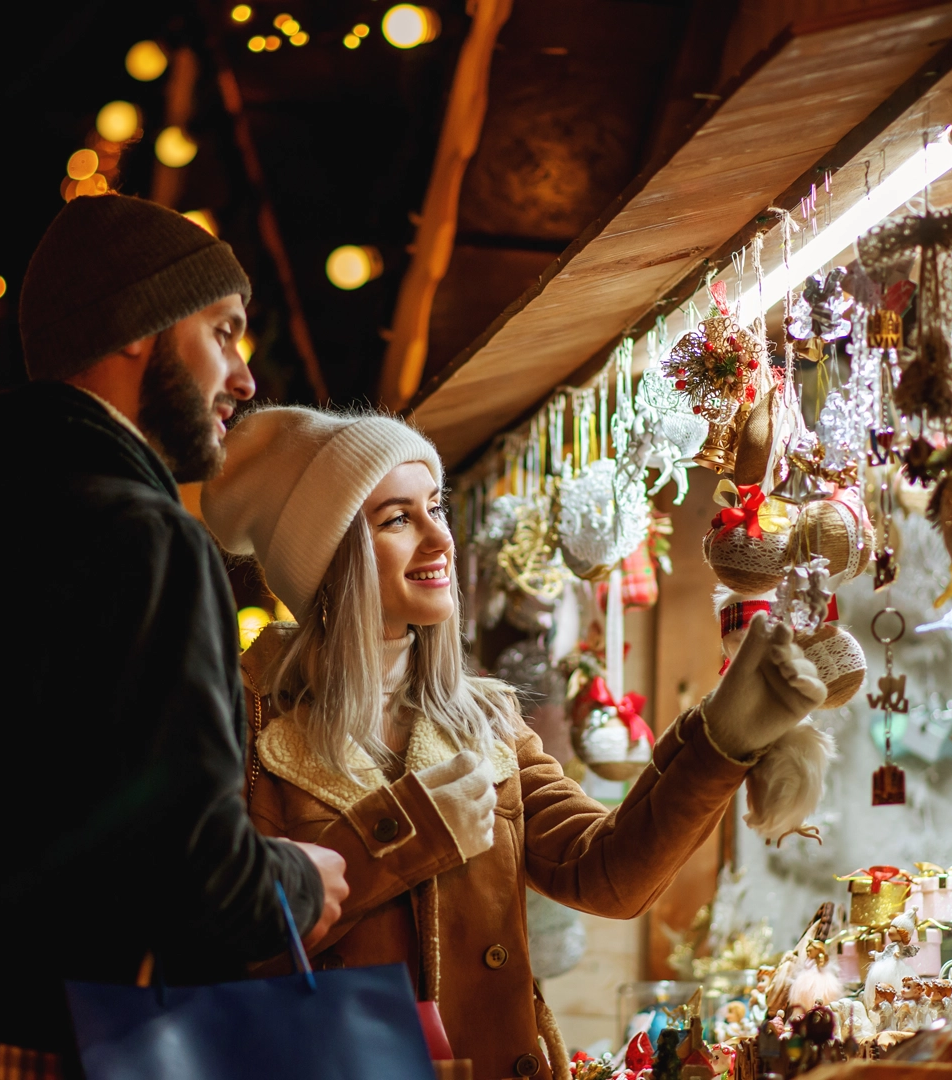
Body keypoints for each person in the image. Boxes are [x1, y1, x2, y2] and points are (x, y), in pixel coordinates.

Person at [201, 406, 827, 1080]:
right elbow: (221, 947)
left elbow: (607, 872)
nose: (438, 540)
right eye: (396, 519)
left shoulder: (485, 718)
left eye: (435, 509)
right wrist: (407, 833)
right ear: (329, 559)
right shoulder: (243, 726)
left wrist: (719, 740)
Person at [0, 195, 347, 1064]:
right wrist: (298, 880)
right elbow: (193, 863)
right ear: (135, 327)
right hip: (83, 1043)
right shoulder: (142, 536)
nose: (245, 379)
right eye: (224, 331)